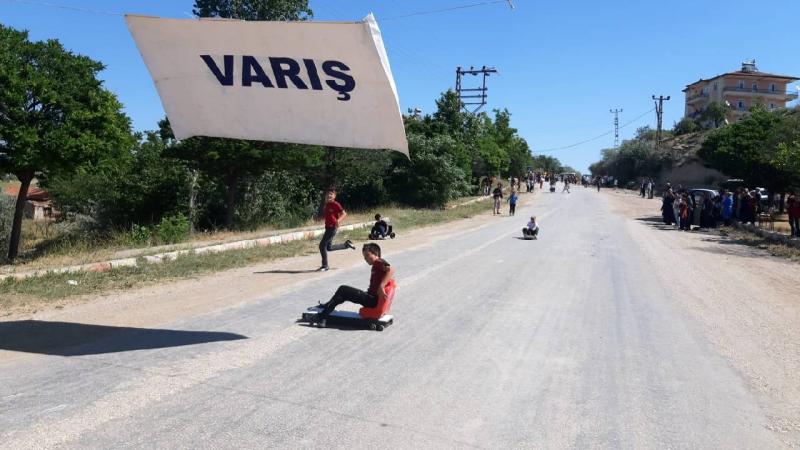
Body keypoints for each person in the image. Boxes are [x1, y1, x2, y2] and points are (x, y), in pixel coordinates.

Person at [314, 243, 395, 327]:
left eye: (367, 255)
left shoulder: (378, 262)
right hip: (371, 298)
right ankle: (328, 306)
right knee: (343, 294)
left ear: (376, 254)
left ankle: (323, 317)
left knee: (343, 289)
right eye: (364, 257)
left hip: (372, 300)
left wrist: (381, 286)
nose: (366, 259)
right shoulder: (376, 264)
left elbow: (391, 270)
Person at [318, 189, 355, 271]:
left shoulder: (336, 204)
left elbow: (344, 214)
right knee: (329, 247)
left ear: (334, 196)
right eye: (327, 194)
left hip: (332, 227)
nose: (329, 195)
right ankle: (346, 245)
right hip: (328, 227)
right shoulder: (326, 205)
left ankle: (325, 265)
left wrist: (338, 220)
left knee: (322, 246)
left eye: (331, 194)